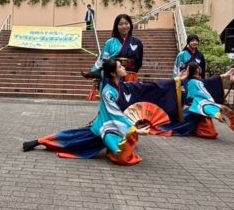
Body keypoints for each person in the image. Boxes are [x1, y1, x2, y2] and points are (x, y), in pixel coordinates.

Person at [23, 60, 151, 166]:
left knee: (72, 138)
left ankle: (38, 142)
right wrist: (135, 130)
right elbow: (115, 114)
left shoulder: (114, 82)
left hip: (108, 126)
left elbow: (102, 71)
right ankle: (38, 142)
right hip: (104, 128)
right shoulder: (108, 92)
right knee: (71, 140)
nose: (124, 68)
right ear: (113, 73)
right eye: (120, 67)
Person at [84, 13, 143, 83]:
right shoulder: (110, 43)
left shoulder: (137, 42)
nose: (124, 26)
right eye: (120, 24)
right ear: (116, 26)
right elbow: (103, 60)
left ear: (130, 24)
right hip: (114, 77)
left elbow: (139, 63)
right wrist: (95, 73)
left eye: (126, 23)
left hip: (131, 78)